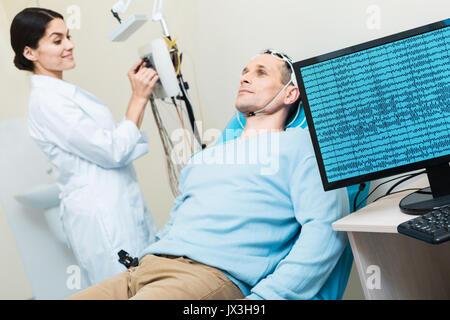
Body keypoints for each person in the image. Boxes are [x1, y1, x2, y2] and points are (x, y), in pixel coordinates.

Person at [68, 49, 349, 300]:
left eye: (261, 73)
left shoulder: (301, 146)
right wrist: (144, 259)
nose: (245, 78)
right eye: (244, 72)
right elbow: (176, 222)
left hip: (206, 276)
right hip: (144, 269)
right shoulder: (203, 159)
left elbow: (325, 232)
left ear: (290, 94)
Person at [10, 7, 159, 285]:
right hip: (101, 213)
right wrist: (138, 98)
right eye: (57, 40)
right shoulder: (48, 102)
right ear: (30, 52)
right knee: (125, 288)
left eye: (68, 36)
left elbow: (111, 144)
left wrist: (140, 97)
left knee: (145, 284)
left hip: (116, 203)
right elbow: (112, 150)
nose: (70, 45)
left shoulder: (64, 93)